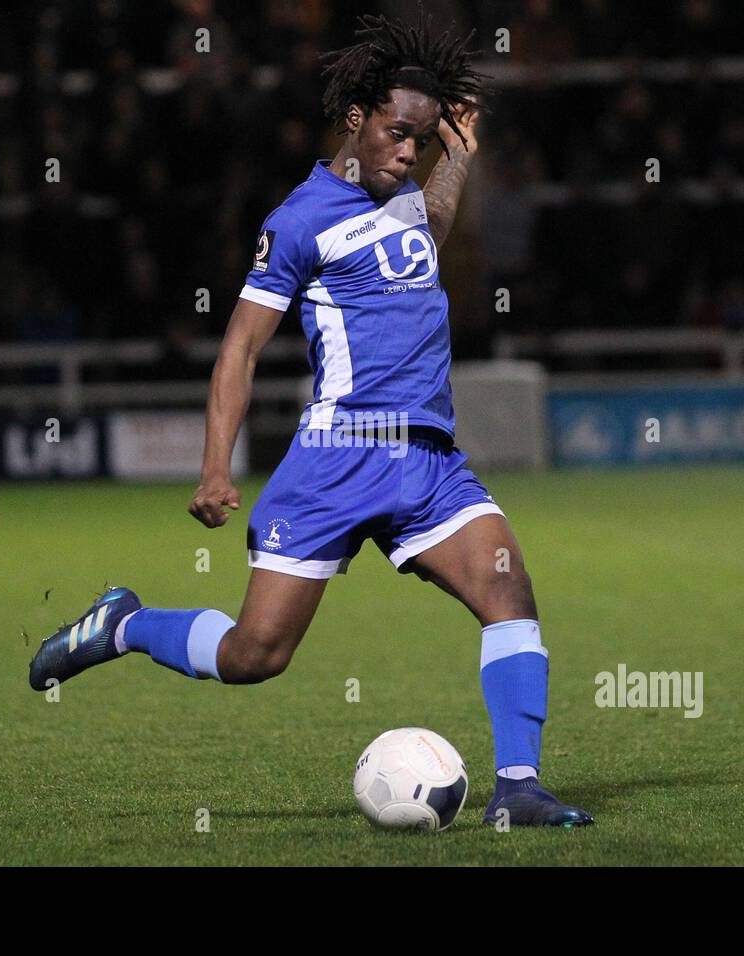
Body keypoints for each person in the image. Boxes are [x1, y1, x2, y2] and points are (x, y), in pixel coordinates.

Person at [29, 9, 593, 828]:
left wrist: (458, 159)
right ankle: (124, 625)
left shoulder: (401, 196)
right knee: (255, 655)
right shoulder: (298, 222)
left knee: (511, 594)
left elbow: (421, 242)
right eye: (400, 134)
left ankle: (519, 788)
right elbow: (239, 351)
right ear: (356, 120)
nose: (410, 151)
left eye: (423, 139)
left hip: (429, 462)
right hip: (335, 461)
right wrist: (216, 465)